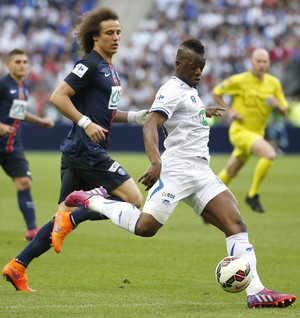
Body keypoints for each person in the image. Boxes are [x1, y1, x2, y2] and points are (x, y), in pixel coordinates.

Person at [17, 38, 296, 308]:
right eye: (193, 66)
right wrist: (155, 162)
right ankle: (91, 200)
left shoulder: (189, 91)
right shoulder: (172, 89)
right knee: (145, 228)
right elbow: (150, 124)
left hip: (200, 172)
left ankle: (257, 291)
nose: (198, 71)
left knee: (236, 225)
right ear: (178, 64)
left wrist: (202, 111)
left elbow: (182, 116)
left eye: (202, 66)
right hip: (176, 170)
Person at [2, 7, 147, 291]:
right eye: (109, 33)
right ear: (95, 37)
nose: (116, 37)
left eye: (118, 32)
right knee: (132, 200)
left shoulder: (110, 69)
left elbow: (105, 111)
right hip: (86, 150)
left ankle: (17, 266)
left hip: (77, 151)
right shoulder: (90, 64)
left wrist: (133, 117)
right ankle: (75, 214)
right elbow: (58, 97)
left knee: (59, 219)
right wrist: (84, 122)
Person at [211, 48, 288, 213]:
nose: (261, 65)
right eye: (258, 61)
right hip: (240, 131)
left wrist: (278, 107)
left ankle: (208, 200)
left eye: (265, 61)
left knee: (231, 170)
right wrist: (230, 111)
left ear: (269, 63)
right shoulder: (240, 80)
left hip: (257, 133)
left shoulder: (273, 83)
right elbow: (216, 92)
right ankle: (253, 195)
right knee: (269, 154)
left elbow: (285, 108)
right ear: (252, 62)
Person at [0, 49, 54, 241]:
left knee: (24, 182)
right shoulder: (3, 85)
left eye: (24, 62)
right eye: (17, 62)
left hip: (12, 144)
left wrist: (40, 121)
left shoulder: (24, 86)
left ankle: (32, 229)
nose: (22, 65)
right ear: (8, 65)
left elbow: (18, 112)